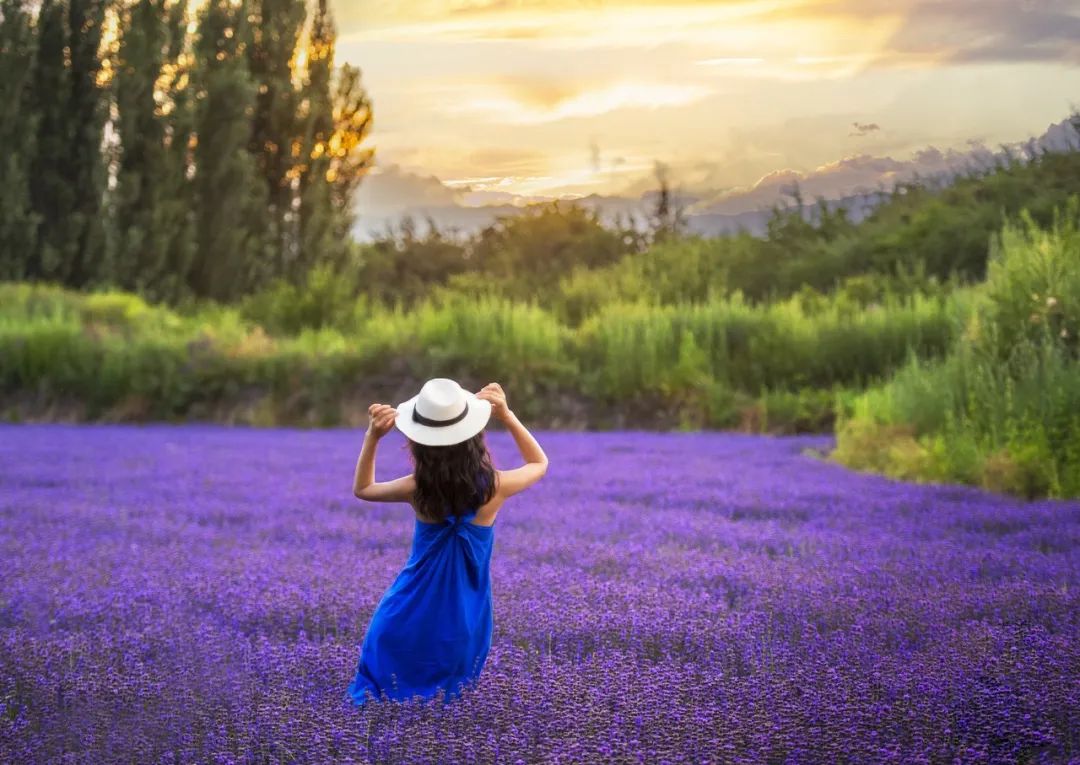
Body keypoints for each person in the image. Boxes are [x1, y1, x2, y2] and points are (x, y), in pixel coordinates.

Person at [347, 378, 549, 706]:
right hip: (464, 619)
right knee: (445, 708)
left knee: (382, 701)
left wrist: (372, 436)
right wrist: (507, 415)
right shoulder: (495, 487)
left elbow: (363, 489)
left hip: (405, 613)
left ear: (420, 443)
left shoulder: (417, 489)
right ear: (474, 437)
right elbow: (539, 463)